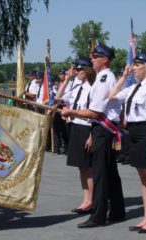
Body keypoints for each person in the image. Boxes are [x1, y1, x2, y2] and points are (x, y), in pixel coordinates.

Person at [61, 43, 125, 228]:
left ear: (104, 60)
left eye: (95, 57)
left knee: (100, 174)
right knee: (110, 172)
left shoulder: (105, 79)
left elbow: (94, 112)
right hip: (102, 129)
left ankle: (98, 216)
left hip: (102, 130)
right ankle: (118, 210)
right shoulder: (102, 78)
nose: (91, 59)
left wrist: (72, 112)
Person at [109, 51, 146, 233]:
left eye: (137, 65)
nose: (133, 68)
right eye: (133, 65)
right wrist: (124, 76)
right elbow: (112, 95)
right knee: (143, 179)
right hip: (133, 132)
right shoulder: (134, 87)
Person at [61, 57, 95, 214]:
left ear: (88, 70)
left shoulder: (92, 88)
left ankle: (92, 200)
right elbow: (58, 98)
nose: (77, 72)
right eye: (76, 70)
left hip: (87, 129)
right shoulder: (76, 86)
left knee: (88, 167)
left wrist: (91, 135)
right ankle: (86, 199)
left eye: (80, 70)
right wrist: (67, 80)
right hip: (75, 127)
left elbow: (95, 114)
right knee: (81, 168)